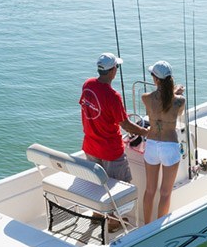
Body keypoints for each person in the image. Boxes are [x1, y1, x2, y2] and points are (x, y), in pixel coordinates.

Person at [79, 52, 149, 230]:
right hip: (110, 151)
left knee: (98, 184)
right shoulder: (113, 96)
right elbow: (126, 125)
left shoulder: (87, 85)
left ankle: (97, 216)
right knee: (120, 188)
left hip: (90, 147)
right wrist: (145, 131)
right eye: (116, 67)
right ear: (112, 71)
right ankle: (113, 223)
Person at [140, 60, 186, 224]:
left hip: (152, 145)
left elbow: (159, 100)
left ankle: (146, 226)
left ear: (155, 79)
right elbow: (175, 109)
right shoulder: (180, 101)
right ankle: (157, 228)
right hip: (169, 146)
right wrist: (176, 92)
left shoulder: (146, 98)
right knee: (165, 192)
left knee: (150, 190)